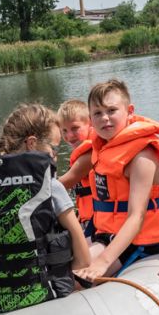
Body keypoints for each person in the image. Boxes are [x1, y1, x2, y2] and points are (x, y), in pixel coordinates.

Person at [0, 103, 91, 312]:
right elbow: (83, 260)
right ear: (32, 143)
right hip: (45, 294)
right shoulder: (50, 185)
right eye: (53, 148)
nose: (55, 156)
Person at [64, 79, 159, 281]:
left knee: (70, 282)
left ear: (129, 111)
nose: (105, 118)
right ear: (90, 118)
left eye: (111, 110)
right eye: (97, 113)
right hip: (105, 234)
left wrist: (103, 262)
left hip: (137, 241)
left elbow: (136, 217)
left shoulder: (143, 156)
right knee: (56, 272)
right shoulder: (103, 148)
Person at [56, 98, 95, 232]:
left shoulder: (90, 155)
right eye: (64, 130)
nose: (69, 135)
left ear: (90, 123)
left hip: (96, 222)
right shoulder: (82, 152)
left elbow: (62, 185)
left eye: (75, 128)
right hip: (88, 219)